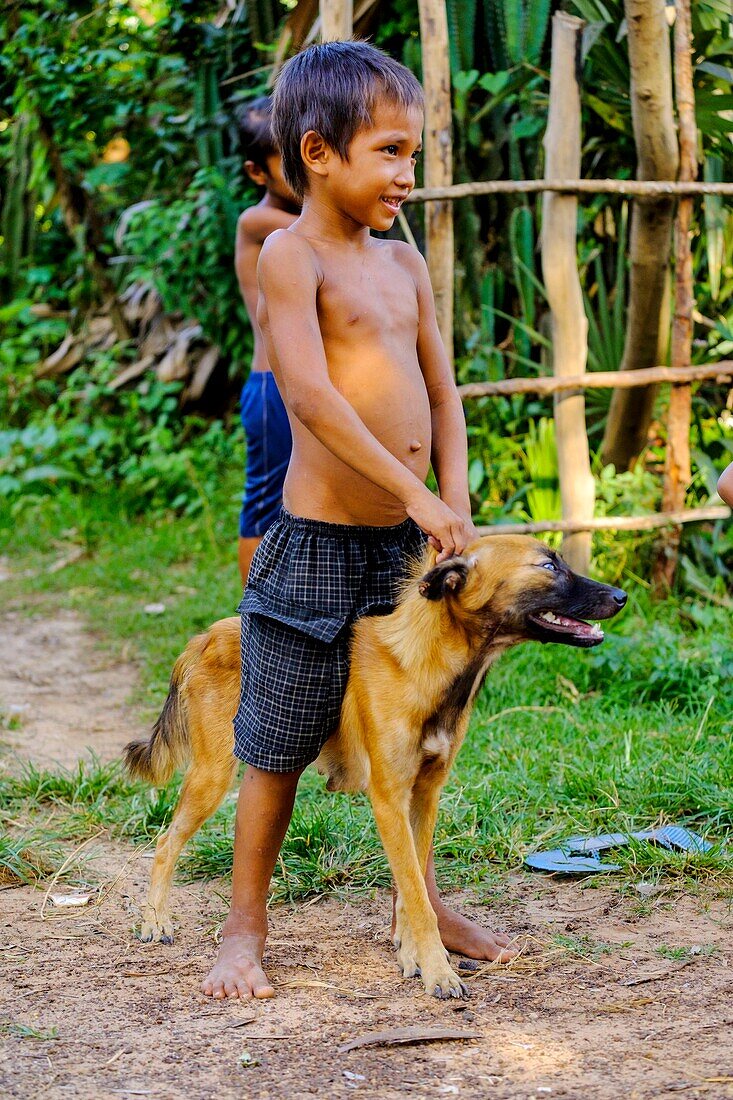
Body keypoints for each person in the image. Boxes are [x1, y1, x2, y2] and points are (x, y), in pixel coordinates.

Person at [202, 41, 517, 1002]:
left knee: (426, 727)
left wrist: (449, 491)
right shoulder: (292, 258)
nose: (406, 175)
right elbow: (308, 396)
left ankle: (420, 901)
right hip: (316, 549)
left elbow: (442, 389)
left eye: (412, 155)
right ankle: (243, 926)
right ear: (319, 152)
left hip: (404, 551)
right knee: (280, 733)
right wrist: (412, 491)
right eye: (389, 152)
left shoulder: (403, 263)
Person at [234, 97, 301, 585]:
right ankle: (252, 615)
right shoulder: (257, 222)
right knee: (264, 503)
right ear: (257, 173)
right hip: (271, 387)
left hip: (305, 386)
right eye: (289, 159)